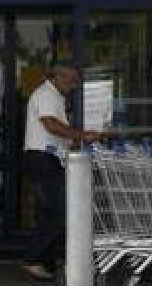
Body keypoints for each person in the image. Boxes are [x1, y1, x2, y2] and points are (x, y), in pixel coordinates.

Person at [21, 65, 100, 282]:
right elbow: (50, 125)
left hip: (48, 158)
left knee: (48, 212)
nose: (73, 85)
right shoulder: (46, 94)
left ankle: (45, 260)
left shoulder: (54, 96)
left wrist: (72, 140)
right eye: (70, 80)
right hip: (43, 159)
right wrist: (81, 135)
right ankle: (33, 258)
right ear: (56, 76)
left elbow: (55, 129)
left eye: (75, 81)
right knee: (57, 212)